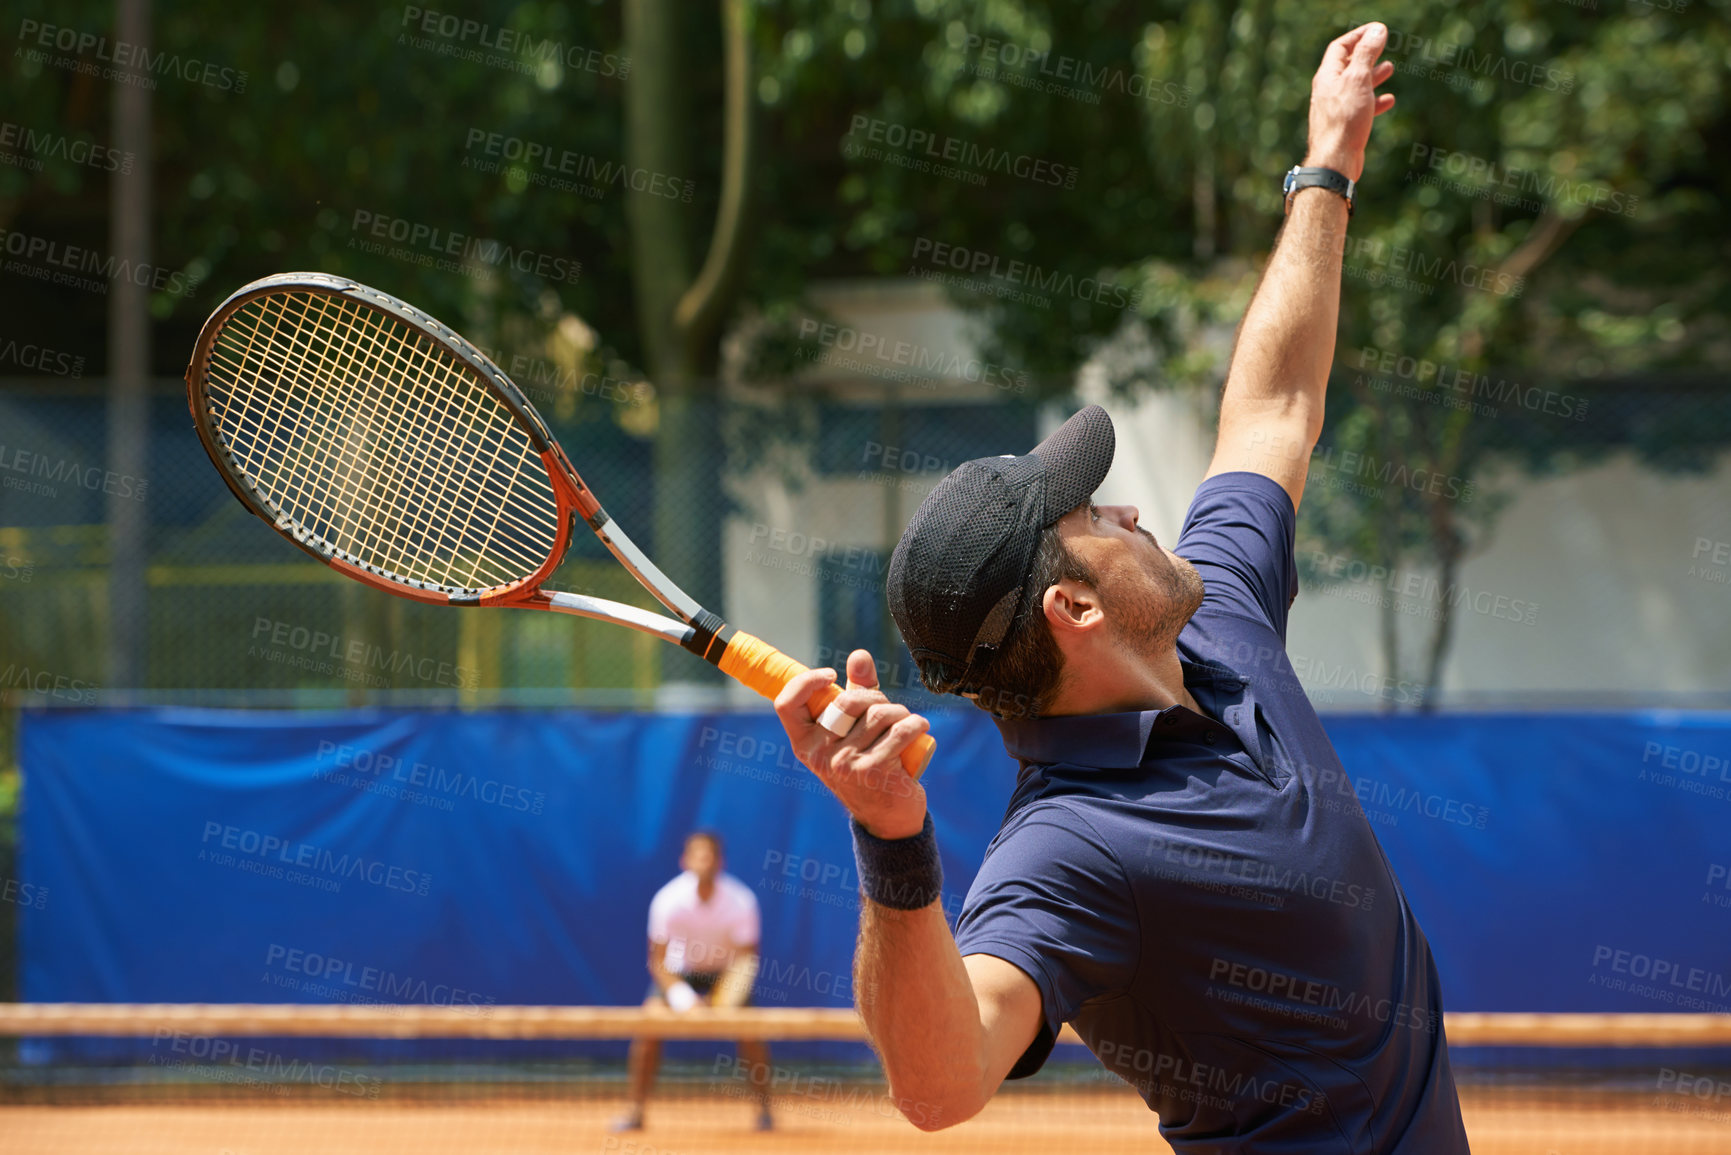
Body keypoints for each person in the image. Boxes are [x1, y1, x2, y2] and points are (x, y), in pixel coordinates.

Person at [771, 22, 1472, 1153]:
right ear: (1075, 609)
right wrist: (893, 840)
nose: (1134, 511)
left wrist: (1326, 173)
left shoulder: (1221, 627)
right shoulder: (1073, 848)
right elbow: (940, 1088)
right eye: (1095, 515)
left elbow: (1275, 405)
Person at [612, 830, 773, 1132]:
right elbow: (658, 962)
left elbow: (745, 960)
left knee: (751, 1034)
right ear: (685, 861)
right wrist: (684, 999)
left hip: (726, 976)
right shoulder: (667, 900)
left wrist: (723, 1001)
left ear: (720, 861)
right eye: (698, 855)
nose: (704, 861)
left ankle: (765, 1110)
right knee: (648, 1029)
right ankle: (636, 1111)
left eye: (710, 855)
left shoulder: (741, 900)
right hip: (678, 975)